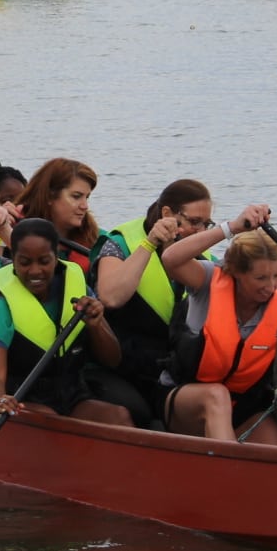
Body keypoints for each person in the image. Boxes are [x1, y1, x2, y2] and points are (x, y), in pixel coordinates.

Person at [0, 218, 133, 425]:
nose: (35, 271)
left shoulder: (79, 292)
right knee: (49, 420)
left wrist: (96, 326)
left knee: (119, 416)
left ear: (56, 258)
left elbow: (113, 359)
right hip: (21, 398)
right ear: (13, 259)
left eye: (44, 261)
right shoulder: (0, 309)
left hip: (72, 394)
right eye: (25, 262)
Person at [158, 219, 277, 443]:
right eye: (260, 278)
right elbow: (171, 258)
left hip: (240, 407)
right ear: (237, 272)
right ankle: (227, 470)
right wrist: (231, 228)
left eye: (276, 276)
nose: (270, 286)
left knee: (275, 444)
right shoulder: (208, 280)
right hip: (185, 400)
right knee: (216, 396)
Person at [95, 179, 219, 424]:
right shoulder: (119, 244)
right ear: (167, 214)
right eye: (194, 222)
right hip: (123, 369)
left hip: (174, 372)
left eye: (207, 224)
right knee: (139, 414)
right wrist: (150, 244)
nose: (202, 232)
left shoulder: (205, 260)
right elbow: (111, 296)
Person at [7, 157, 102, 275]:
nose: (85, 206)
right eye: (76, 196)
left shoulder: (99, 240)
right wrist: (2, 231)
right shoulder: (9, 226)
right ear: (49, 196)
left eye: (86, 197)